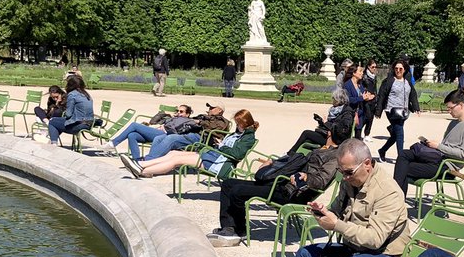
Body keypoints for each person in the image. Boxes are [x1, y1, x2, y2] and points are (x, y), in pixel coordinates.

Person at [208, 116, 351, 247]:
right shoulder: (322, 148)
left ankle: (237, 230)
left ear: (329, 134)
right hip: (280, 182)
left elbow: (321, 181)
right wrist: (273, 163)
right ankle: (230, 228)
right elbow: (293, 162)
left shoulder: (334, 157)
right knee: (228, 184)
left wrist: (307, 177)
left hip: (290, 193)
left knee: (237, 191)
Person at [121, 109, 258, 179]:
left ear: (245, 123)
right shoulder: (239, 133)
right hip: (214, 155)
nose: (237, 125)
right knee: (173, 153)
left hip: (220, 163)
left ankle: (141, 169)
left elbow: (237, 154)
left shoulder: (248, 138)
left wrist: (222, 146)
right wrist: (222, 144)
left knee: (177, 160)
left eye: (239, 123)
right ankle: (139, 166)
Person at [392, 88, 464, 196]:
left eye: (451, 108)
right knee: (403, 155)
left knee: (404, 168)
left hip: (447, 167)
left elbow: (462, 154)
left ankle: (396, 200)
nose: (449, 111)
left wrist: (438, 146)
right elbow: (445, 146)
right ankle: (397, 200)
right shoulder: (453, 123)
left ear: (460, 105)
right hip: (438, 158)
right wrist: (433, 145)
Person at [111, 104, 225, 160]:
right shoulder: (202, 116)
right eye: (209, 107)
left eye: (212, 107)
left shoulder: (223, 121)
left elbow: (213, 129)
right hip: (182, 134)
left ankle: (145, 161)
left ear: (219, 110)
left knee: (135, 125)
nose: (209, 109)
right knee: (133, 135)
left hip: (195, 138)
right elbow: (153, 121)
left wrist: (200, 122)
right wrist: (166, 115)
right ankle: (137, 161)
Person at [375, 59, 420, 162]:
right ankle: (401, 158)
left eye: (400, 68)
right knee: (400, 132)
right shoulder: (389, 81)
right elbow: (382, 95)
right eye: (396, 68)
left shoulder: (407, 81)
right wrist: (378, 111)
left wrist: (416, 107)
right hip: (391, 110)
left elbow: (412, 94)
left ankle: (382, 150)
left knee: (396, 135)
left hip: (403, 112)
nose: (398, 70)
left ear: (404, 69)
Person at [287, 88, 351, 155]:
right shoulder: (336, 110)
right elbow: (332, 125)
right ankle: (296, 155)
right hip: (328, 135)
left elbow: (341, 129)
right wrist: (321, 122)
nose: (332, 101)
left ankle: (290, 154)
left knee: (306, 133)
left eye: (334, 99)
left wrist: (326, 123)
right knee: (307, 137)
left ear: (339, 100)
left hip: (334, 139)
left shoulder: (346, 113)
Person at [47, 73, 94, 146]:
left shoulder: (72, 95)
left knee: (52, 121)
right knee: (59, 122)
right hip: (89, 124)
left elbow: (69, 114)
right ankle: (51, 140)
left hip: (78, 125)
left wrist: (64, 113)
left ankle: (53, 143)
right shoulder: (86, 94)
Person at [343, 64, 374, 139]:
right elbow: (349, 100)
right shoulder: (347, 85)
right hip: (350, 114)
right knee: (347, 138)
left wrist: (367, 97)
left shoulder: (360, 84)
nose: (362, 73)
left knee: (358, 138)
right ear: (354, 73)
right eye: (360, 71)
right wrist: (362, 98)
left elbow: (363, 95)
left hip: (360, 114)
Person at [360, 60, 379, 137]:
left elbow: (375, 88)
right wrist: (366, 94)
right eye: (372, 67)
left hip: (373, 99)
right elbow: (361, 86)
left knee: (371, 118)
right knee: (367, 117)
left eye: (375, 67)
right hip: (366, 100)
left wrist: (375, 96)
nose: (374, 68)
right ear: (368, 67)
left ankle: (367, 134)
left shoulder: (374, 76)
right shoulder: (364, 76)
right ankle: (358, 130)